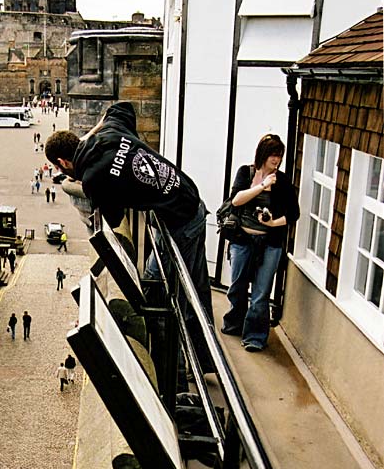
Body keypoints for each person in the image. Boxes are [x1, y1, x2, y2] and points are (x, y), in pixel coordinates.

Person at [44, 101, 213, 322]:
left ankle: (199, 349)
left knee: (189, 292)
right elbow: (122, 107)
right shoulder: (111, 132)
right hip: (183, 198)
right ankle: (160, 326)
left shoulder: (94, 180)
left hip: (184, 218)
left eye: (59, 167)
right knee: (156, 276)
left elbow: (114, 221)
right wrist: (91, 135)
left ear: (62, 162)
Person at [221, 134, 300, 352]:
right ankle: (234, 322)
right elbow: (236, 200)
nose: (277, 160)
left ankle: (255, 337)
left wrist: (273, 222)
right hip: (242, 240)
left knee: (261, 293)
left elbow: (294, 213)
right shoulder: (246, 173)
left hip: (270, 244)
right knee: (237, 286)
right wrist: (261, 185)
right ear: (263, 154)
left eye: (280, 156)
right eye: (274, 155)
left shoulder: (282, 181)